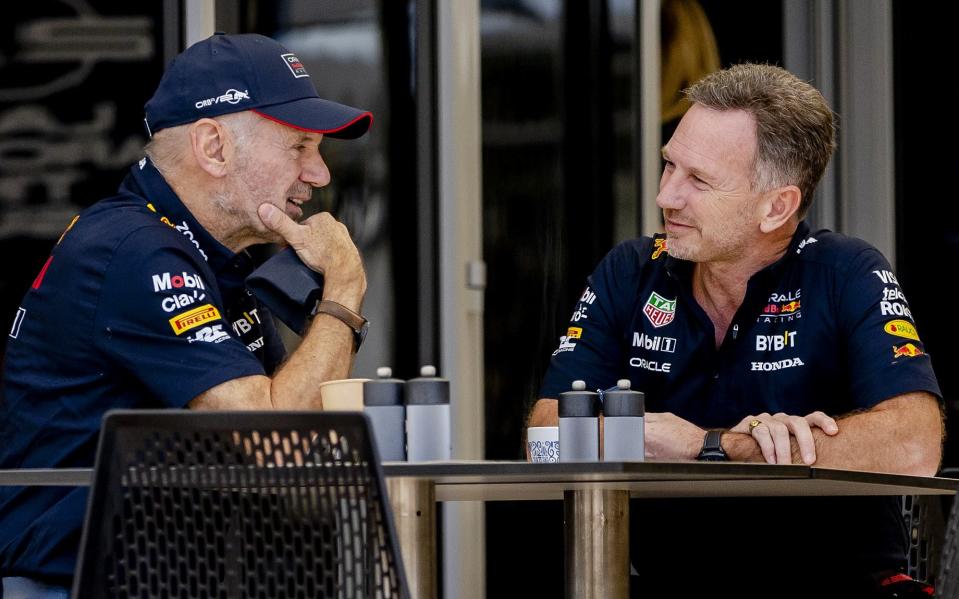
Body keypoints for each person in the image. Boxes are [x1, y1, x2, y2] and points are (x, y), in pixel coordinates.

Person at [529, 63, 943, 597]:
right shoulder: (631, 270)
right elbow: (543, 434)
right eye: (669, 166)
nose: (667, 196)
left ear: (776, 207)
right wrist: (672, 438)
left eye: (698, 180)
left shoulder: (846, 272)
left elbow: (915, 444)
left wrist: (715, 446)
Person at [0, 33, 372, 596]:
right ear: (214, 147)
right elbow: (278, 440)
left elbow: (298, 448)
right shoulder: (137, 249)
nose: (319, 174)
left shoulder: (211, 255)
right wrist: (343, 289)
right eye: (299, 147)